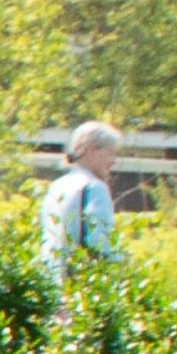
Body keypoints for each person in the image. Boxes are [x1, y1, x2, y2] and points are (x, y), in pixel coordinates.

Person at [38, 118, 127, 284]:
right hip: (81, 285)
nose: (114, 160)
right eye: (111, 153)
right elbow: (99, 243)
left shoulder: (57, 186)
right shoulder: (94, 187)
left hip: (50, 282)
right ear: (92, 149)